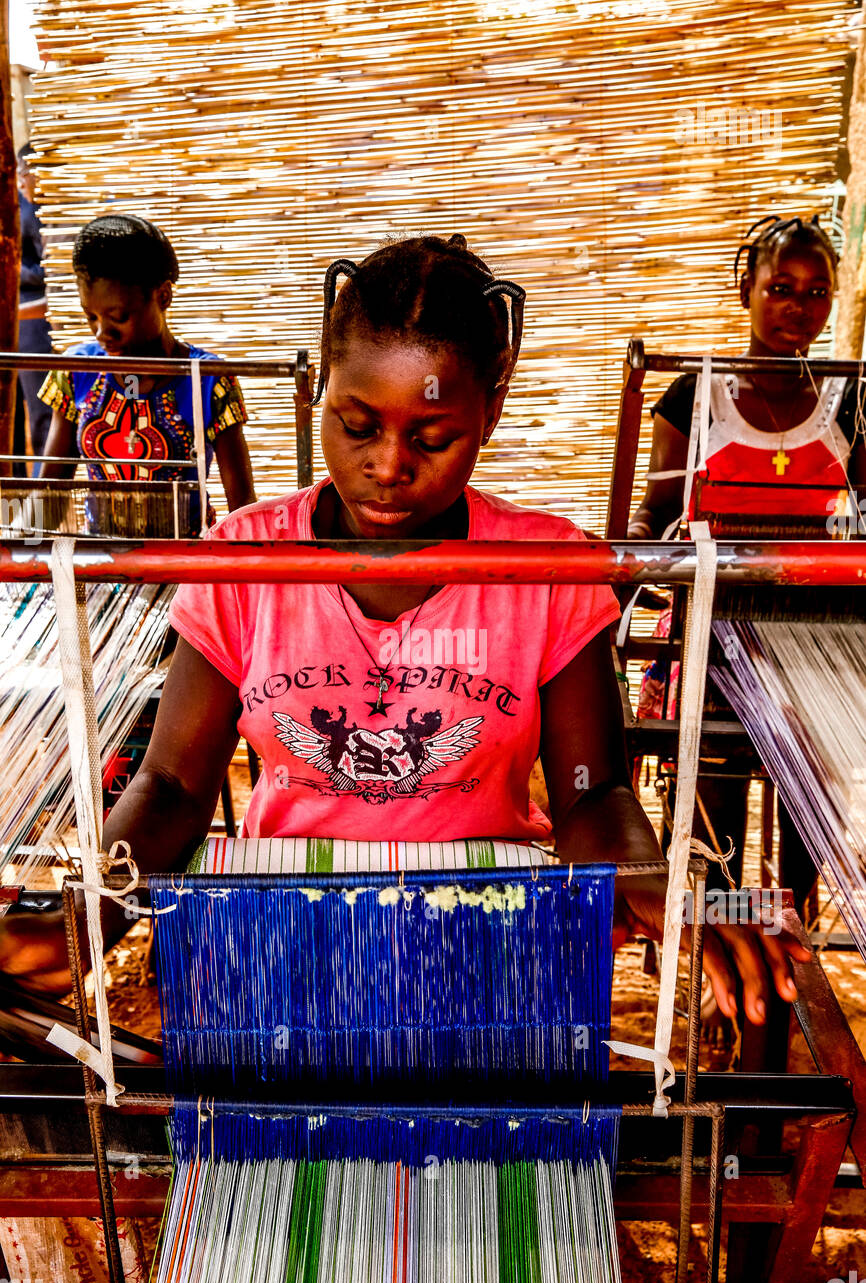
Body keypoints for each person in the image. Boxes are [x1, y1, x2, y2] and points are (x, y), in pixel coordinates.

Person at [0, 234, 810, 1030]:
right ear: (322, 386)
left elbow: (592, 790)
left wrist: (646, 878)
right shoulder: (247, 559)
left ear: (491, 405)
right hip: (284, 949)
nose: (388, 465)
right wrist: (89, 914)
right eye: (356, 425)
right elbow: (172, 787)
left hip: (486, 945)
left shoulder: (545, 567)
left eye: (431, 438)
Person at [628, 214, 866, 919]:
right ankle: (724, 952)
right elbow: (657, 509)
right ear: (747, 290)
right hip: (712, 637)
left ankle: (790, 942)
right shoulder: (692, 396)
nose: (799, 306)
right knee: (715, 820)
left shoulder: (852, 403)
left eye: (816, 292)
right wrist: (634, 552)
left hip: (815, 644)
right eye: (781, 287)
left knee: (806, 824)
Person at [37, 214, 256, 532]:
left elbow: (243, 509)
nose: (102, 333)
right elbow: (48, 502)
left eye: (118, 317)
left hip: (185, 563)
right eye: (91, 317)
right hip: (102, 561)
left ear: (163, 296)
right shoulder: (78, 370)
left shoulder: (208, 380)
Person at [14, 144, 53, 464]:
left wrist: (11, 271)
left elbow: (48, 270)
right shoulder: (22, 202)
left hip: (36, 321)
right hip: (24, 314)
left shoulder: (45, 211)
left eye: (22, 174)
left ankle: (47, 496)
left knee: (44, 412)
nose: (20, 182)